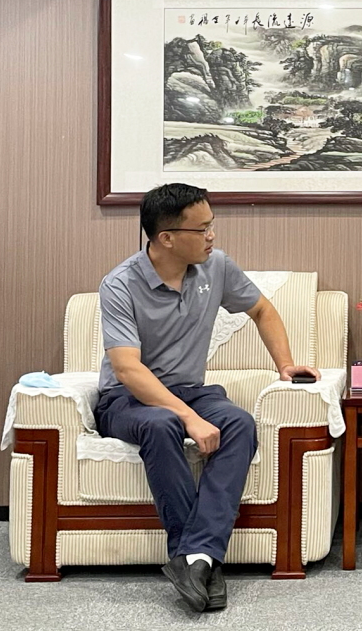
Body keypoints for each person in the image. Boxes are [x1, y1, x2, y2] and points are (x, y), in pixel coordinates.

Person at [94, 183, 319, 612]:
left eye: (211, 225)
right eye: (202, 229)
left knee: (240, 423)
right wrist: (188, 418)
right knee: (161, 423)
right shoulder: (120, 284)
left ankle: (194, 558)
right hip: (127, 398)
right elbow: (127, 370)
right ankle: (197, 555)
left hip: (192, 390)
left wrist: (286, 364)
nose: (212, 236)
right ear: (166, 238)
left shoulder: (215, 266)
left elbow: (262, 310)